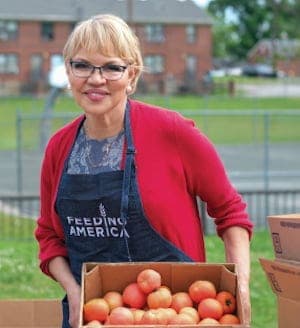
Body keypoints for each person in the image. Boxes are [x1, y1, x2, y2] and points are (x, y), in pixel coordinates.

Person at [35, 14, 253, 328]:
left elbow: (230, 212)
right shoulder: (60, 148)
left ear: (132, 75)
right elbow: (49, 235)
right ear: (68, 71)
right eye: (82, 65)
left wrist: (240, 287)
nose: (96, 79)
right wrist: (73, 291)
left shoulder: (172, 132)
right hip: (95, 318)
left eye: (111, 67)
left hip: (177, 314)